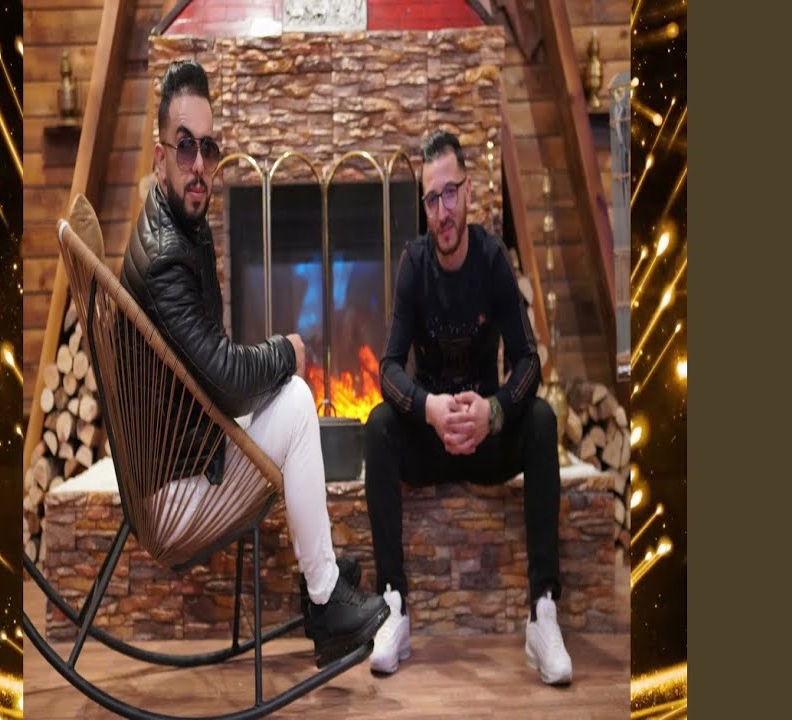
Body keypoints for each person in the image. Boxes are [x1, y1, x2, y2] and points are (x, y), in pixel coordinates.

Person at [120, 59, 388, 668]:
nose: (199, 165)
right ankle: (324, 598)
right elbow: (227, 380)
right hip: (175, 495)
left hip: (188, 454)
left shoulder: (175, 226)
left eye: (208, 149)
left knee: (284, 397)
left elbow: (213, 371)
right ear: (159, 155)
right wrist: (285, 351)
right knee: (295, 398)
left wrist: (264, 365)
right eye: (184, 146)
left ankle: (322, 577)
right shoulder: (166, 258)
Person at [363, 130, 572, 684]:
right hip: (432, 439)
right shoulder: (413, 265)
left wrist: (494, 413)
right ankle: (393, 606)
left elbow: (528, 362)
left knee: (542, 420)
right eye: (432, 199)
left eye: (450, 193)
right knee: (378, 427)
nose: (442, 211)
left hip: (485, 440)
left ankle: (542, 611)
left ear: (469, 191)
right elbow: (388, 369)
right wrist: (429, 408)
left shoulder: (492, 258)